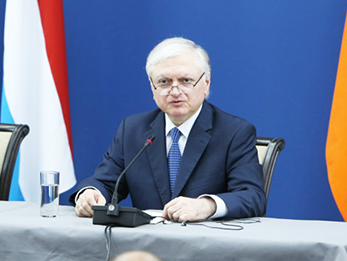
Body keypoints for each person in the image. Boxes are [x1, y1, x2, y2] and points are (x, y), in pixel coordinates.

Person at [70, 37, 266, 222]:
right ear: (152, 87)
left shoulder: (234, 132)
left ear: (206, 84)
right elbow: (105, 182)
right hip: (146, 247)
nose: (175, 91)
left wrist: (206, 206)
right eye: (164, 82)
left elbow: (252, 196)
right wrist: (90, 193)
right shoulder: (132, 130)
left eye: (185, 81)